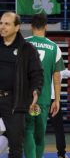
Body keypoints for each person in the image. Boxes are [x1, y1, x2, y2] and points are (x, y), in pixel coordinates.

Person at [0, 12, 43, 158]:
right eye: (1, 23)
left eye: (7, 24)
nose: (2, 27)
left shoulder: (27, 49)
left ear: (17, 27)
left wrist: (36, 91)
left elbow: (37, 74)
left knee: (16, 146)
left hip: (14, 102)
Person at [24, 13, 65, 158]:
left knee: (28, 130)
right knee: (40, 135)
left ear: (30, 26)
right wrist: (57, 100)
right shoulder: (54, 48)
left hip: (25, 97)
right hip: (44, 97)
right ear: (46, 27)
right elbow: (57, 76)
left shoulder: (23, 43)